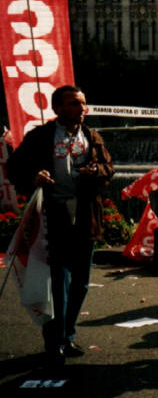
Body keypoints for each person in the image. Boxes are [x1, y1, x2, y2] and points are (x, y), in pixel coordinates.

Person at [7, 85, 114, 367]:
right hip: (53, 217)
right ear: (57, 109)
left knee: (80, 281)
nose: (81, 109)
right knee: (58, 283)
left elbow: (109, 168)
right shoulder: (40, 137)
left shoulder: (92, 136)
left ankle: (67, 334)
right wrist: (35, 176)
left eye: (82, 103)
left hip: (86, 215)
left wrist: (96, 171)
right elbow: (15, 167)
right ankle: (54, 341)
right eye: (74, 104)